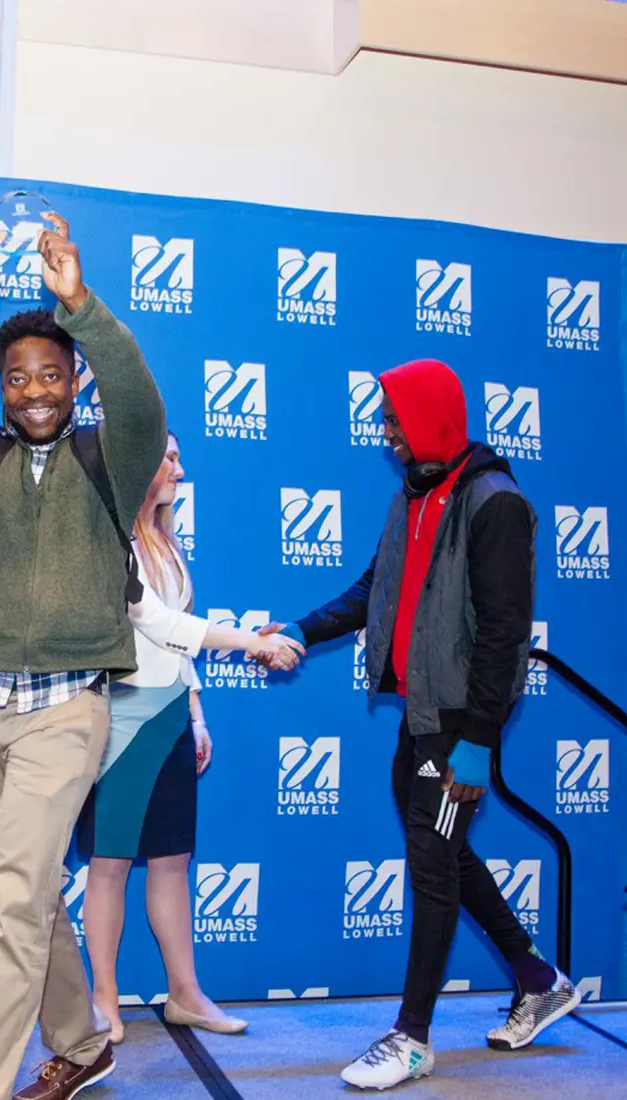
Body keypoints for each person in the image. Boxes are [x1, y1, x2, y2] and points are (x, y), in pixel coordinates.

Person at [0, 216, 166, 1100]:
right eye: (19, 379)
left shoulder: (110, 461)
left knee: (14, 905)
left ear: (72, 378)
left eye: (52, 375)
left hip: (65, 712)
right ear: (3, 388)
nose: (36, 391)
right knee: (30, 894)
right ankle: (83, 1047)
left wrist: (79, 304)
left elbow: (143, 404)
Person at [260, 359, 580, 1091]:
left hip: (460, 723)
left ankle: (411, 1037)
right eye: (385, 422)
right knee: (446, 852)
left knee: (433, 869)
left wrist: (478, 741)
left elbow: (504, 636)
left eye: (395, 422)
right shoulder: (414, 495)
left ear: (432, 418)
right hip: (422, 713)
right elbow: (376, 588)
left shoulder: (495, 503)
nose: (387, 436)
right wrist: (305, 631)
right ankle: (539, 978)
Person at [76, 431, 304, 1043]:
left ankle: (186, 994)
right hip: (121, 720)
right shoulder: (111, 538)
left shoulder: (165, 544)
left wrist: (197, 714)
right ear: (136, 463)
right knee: (111, 865)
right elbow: (157, 623)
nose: (179, 468)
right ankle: (103, 1001)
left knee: (173, 861)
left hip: (172, 716)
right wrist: (250, 641)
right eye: (169, 457)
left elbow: (176, 650)